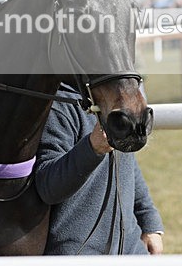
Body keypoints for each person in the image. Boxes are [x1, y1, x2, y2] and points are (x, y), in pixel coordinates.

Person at [35, 84, 164, 255]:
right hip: (78, 260)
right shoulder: (57, 107)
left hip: (131, 250)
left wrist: (150, 223)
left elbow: (129, 164)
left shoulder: (117, 98)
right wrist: (92, 147)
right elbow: (47, 187)